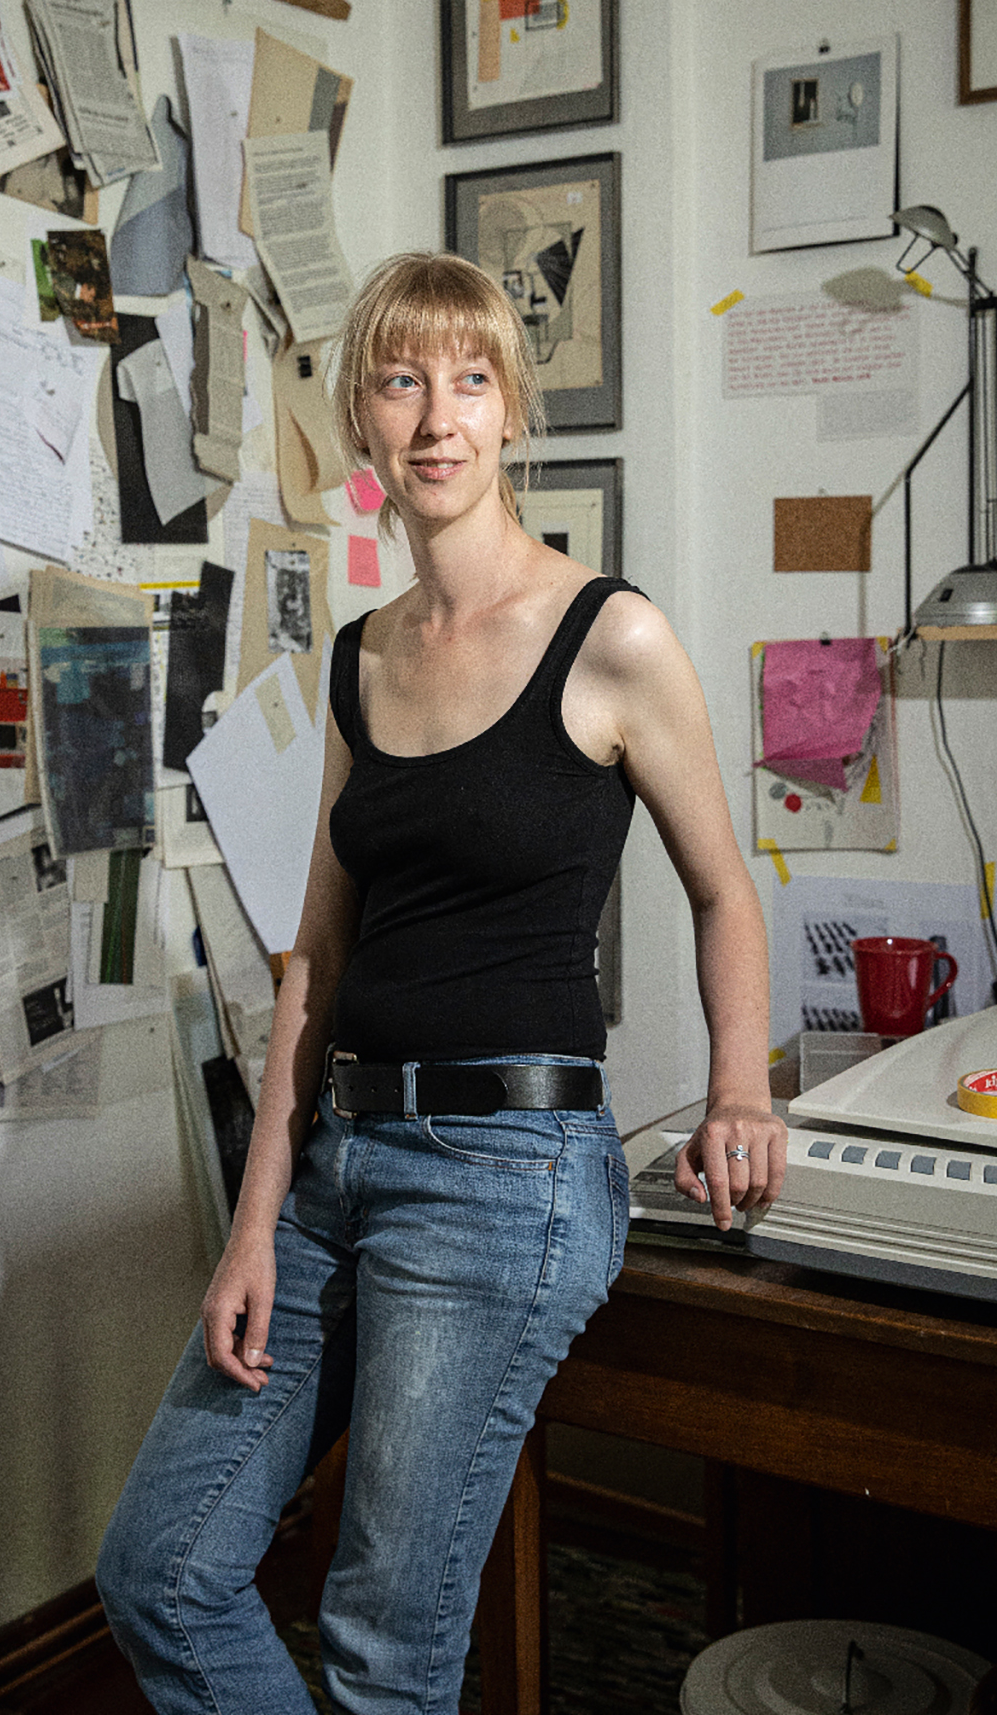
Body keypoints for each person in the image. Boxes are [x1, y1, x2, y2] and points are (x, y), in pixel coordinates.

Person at [96, 251, 786, 1715]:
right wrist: (254, 1224)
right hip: (339, 1165)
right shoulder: (357, 658)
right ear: (363, 418)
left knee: (382, 1650)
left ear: (511, 412)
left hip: (505, 1175)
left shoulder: (614, 637)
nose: (436, 418)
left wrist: (740, 1088)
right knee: (160, 1569)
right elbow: (319, 958)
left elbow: (724, 889)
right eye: (402, 382)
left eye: (470, 381)